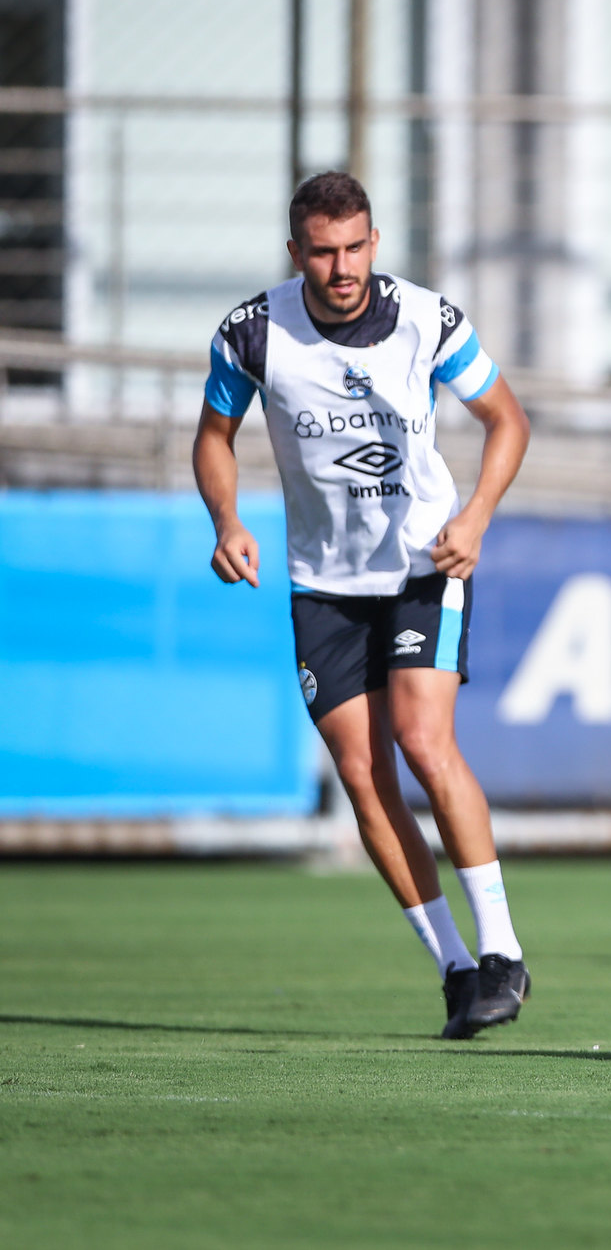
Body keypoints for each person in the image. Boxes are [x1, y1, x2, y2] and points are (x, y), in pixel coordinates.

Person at [193, 171, 534, 1039]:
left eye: (354, 248)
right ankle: (457, 969)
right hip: (323, 582)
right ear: (296, 252)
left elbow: (507, 420)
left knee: (423, 741)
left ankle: (503, 950)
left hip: (426, 562)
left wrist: (477, 518)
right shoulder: (253, 332)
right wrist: (227, 518)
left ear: (374, 244)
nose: (340, 267)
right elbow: (214, 437)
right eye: (322, 250)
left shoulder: (428, 320)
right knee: (361, 774)